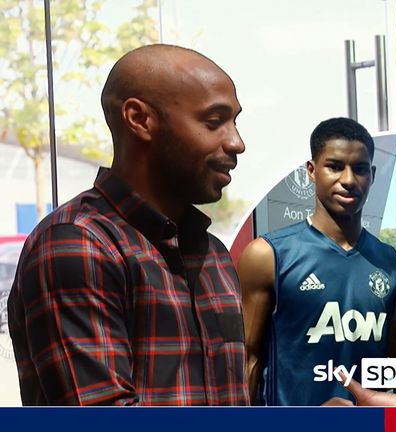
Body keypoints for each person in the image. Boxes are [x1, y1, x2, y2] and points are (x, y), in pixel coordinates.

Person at [8, 44, 249, 405]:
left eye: (234, 123)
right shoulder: (78, 244)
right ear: (139, 119)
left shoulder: (211, 253)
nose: (236, 143)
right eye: (213, 122)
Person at [238, 117, 396, 406]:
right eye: (334, 166)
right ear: (312, 170)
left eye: (359, 169)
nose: (348, 180)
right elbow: (249, 358)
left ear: (371, 174)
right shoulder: (268, 254)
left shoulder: (390, 262)